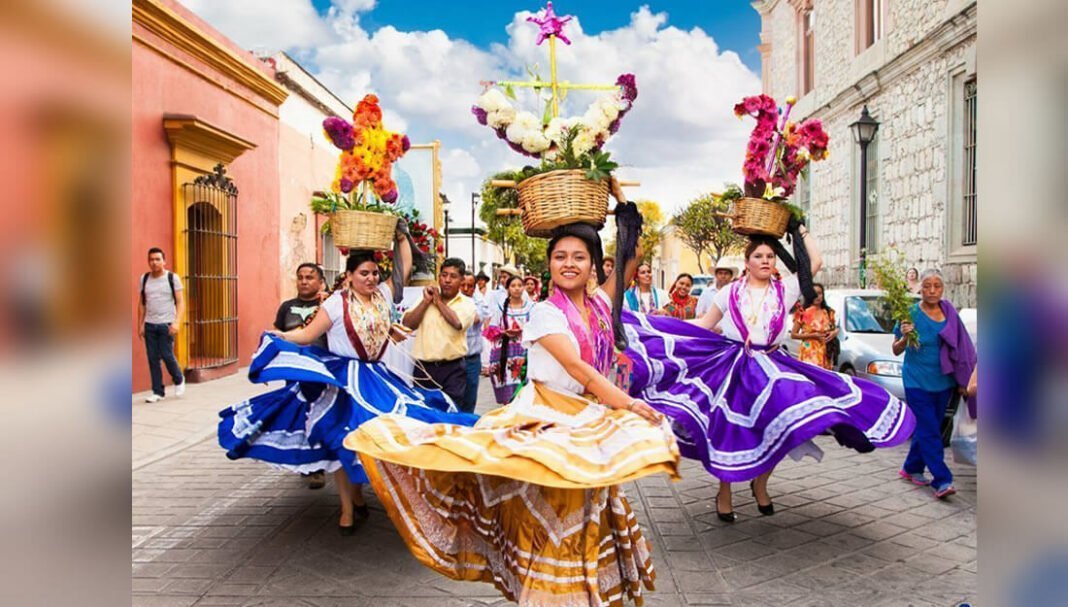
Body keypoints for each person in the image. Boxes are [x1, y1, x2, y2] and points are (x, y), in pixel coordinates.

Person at [346, 194, 679, 606]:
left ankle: (579, 592)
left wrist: (624, 207)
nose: (569, 263)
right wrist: (628, 404)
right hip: (547, 419)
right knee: (552, 513)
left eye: (579, 256)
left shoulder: (597, 304)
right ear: (550, 263)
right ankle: (548, 595)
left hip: (585, 418)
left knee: (587, 507)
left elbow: (629, 259)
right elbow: (580, 371)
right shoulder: (545, 313)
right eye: (560, 256)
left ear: (594, 265)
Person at [623, 228, 915, 523]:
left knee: (782, 425)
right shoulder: (729, 292)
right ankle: (724, 491)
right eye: (759, 256)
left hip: (773, 365)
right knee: (728, 430)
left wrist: (799, 229)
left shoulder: (785, 288)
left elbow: (815, 263)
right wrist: (654, 324)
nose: (765, 261)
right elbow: (704, 323)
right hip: (734, 365)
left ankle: (760, 482)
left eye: (770, 256)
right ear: (747, 262)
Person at [218, 230, 477, 535]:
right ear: (349, 276)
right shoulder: (334, 304)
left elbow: (402, 269)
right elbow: (308, 334)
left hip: (377, 377)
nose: (370, 278)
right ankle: (346, 509)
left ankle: (358, 495)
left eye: (374, 273)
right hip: (342, 381)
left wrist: (401, 237)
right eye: (364, 273)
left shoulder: (382, 297)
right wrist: (282, 337)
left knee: (380, 434)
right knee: (343, 437)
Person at [893, 269, 976, 499]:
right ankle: (942, 480)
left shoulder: (949, 311)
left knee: (929, 427)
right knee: (930, 430)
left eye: (936, 286)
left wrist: (964, 379)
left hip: (943, 381)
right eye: (927, 286)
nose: (931, 290)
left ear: (942, 288)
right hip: (916, 379)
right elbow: (896, 349)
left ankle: (911, 467)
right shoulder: (909, 312)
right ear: (920, 287)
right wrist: (904, 337)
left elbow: (961, 345)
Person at [274, 262, 330, 489]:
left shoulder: (328, 305)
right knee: (300, 418)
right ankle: (309, 465)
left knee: (320, 417)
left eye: (309, 277)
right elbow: (278, 336)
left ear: (320, 281)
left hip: (322, 373)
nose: (304, 281)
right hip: (294, 373)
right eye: (301, 277)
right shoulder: (286, 307)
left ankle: (322, 462)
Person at [402, 258, 478, 406]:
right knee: (424, 413)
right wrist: (425, 302)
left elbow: (457, 323)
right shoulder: (425, 299)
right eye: (444, 275)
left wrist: (438, 302)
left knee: (450, 411)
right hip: (423, 368)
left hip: (452, 369)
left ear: (461, 280)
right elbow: (408, 324)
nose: (447, 280)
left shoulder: (467, 303)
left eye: (453, 276)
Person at [138, 247, 186, 403]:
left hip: (167, 324)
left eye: (157, 259)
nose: (154, 262)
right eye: (151, 259)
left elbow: (180, 302)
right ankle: (157, 391)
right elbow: (142, 304)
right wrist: (141, 324)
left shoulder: (172, 278)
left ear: (164, 261)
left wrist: (176, 322)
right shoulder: (144, 279)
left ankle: (178, 379)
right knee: (152, 358)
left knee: (167, 355)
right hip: (150, 324)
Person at [484, 275, 535, 404]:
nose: (517, 289)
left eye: (519, 285)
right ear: (507, 289)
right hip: (504, 354)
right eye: (513, 286)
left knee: (525, 393)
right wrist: (504, 332)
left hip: (524, 353)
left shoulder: (532, 307)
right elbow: (491, 330)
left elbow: (537, 328)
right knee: (508, 397)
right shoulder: (500, 308)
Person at [459, 271, 489, 413]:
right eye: (462, 285)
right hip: (454, 359)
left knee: (469, 399)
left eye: (469, 286)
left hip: (471, 359)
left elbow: (476, 318)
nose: (465, 289)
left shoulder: (480, 302)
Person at [790, 282, 838, 369]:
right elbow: (793, 335)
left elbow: (833, 329)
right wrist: (813, 335)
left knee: (823, 379)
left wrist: (834, 333)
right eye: (814, 293)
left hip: (825, 352)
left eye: (819, 293)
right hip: (809, 353)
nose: (817, 296)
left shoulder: (828, 312)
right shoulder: (802, 313)